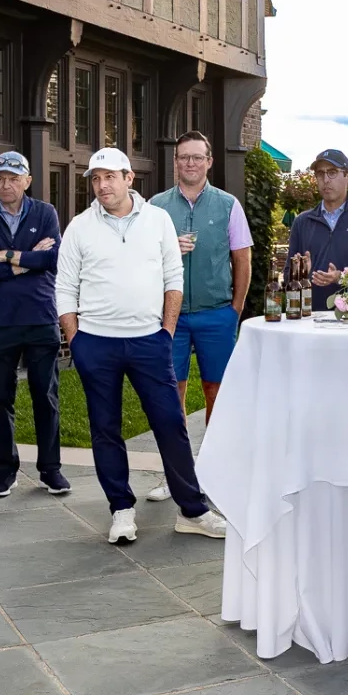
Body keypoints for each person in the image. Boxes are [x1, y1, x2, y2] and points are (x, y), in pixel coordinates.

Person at [55, 147, 227, 544]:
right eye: (95, 179)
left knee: (170, 423)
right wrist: (75, 338)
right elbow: (64, 287)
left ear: (129, 178)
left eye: (109, 177)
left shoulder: (158, 220)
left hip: (149, 340)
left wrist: (166, 331)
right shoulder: (79, 227)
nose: (102, 186)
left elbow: (173, 278)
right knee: (105, 429)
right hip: (95, 343)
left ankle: (192, 510)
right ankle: (121, 510)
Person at [146, 130, 253, 502]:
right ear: (175, 162)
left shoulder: (228, 205)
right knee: (170, 395)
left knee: (217, 394)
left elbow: (243, 260)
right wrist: (168, 251)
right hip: (170, 317)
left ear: (209, 161)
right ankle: (172, 474)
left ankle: (213, 473)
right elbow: (142, 260)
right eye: (183, 157)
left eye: (197, 157)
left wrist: (234, 310)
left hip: (216, 315)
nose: (190, 163)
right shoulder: (156, 207)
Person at [0, 150, 71, 498]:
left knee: (46, 396)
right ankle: (5, 470)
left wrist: (6, 255)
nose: (5, 184)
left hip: (39, 316)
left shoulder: (45, 212)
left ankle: (50, 470)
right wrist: (27, 260)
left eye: (13, 178)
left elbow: (54, 258)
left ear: (27, 180)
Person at [283, 150, 348, 312]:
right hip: (309, 319)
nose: (325, 180)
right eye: (320, 173)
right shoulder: (302, 222)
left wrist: (342, 277)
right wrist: (299, 274)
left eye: (332, 172)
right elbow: (287, 279)